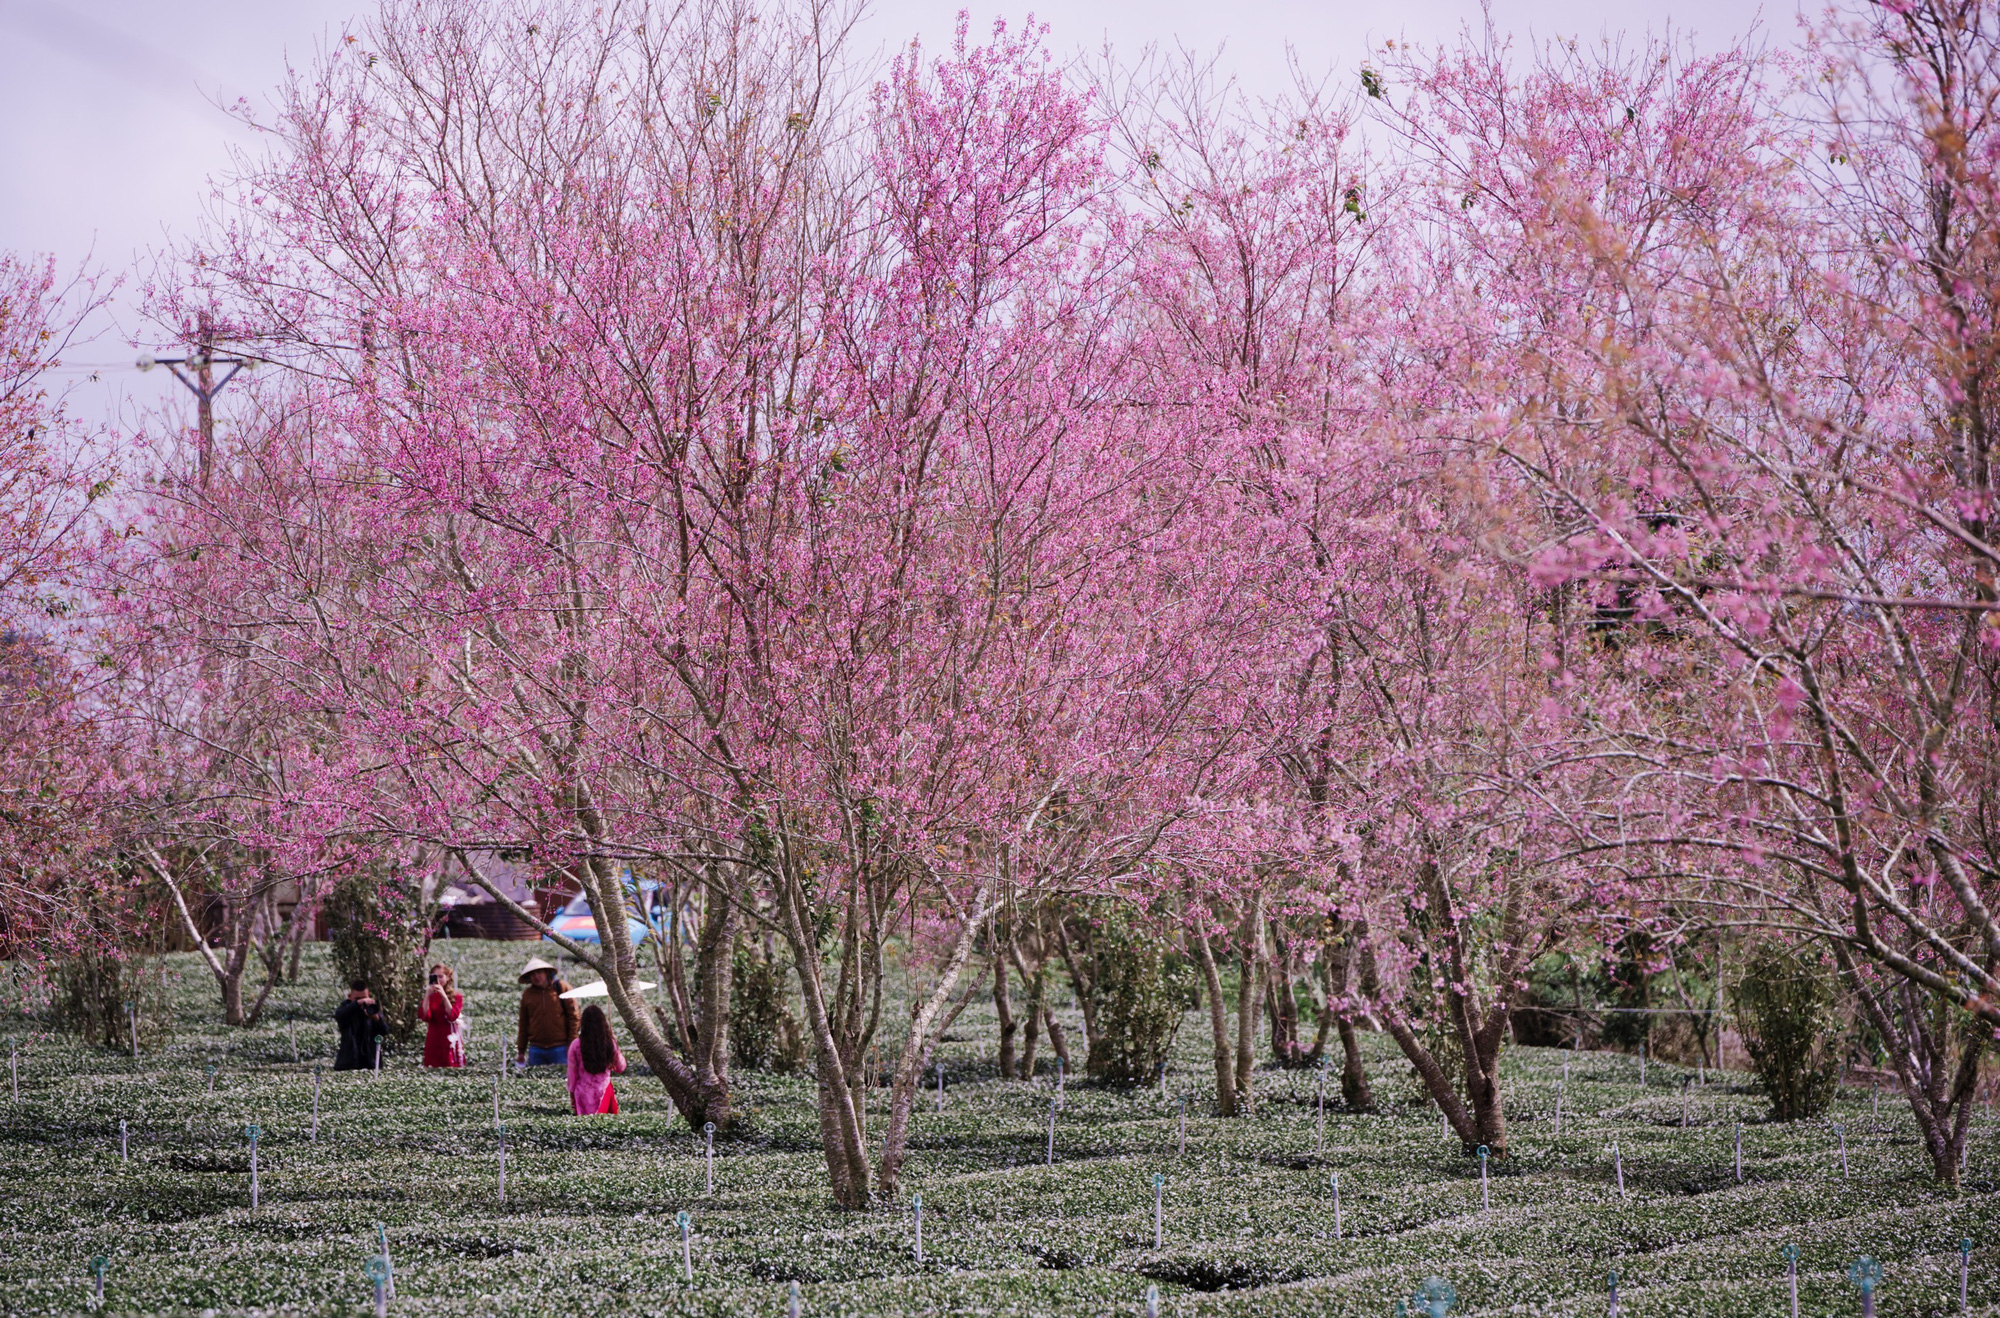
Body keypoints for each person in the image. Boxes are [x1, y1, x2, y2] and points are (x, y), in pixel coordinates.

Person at [515, 956, 579, 1068]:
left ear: (546, 973)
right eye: (532, 974)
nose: (536, 976)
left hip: (560, 1047)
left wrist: (571, 1043)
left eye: (539, 972)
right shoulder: (528, 994)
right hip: (536, 1048)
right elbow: (523, 1023)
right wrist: (521, 1050)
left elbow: (574, 1017)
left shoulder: (562, 987)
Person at [566, 1004, 626, 1115]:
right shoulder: (609, 1043)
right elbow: (620, 1067)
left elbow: (572, 1073)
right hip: (604, 1091)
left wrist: (571, 1093)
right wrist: (616, 1048)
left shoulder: (576, 1045)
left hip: (583, 1093)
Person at [333, 979, 387, 1071]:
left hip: (371, 1062)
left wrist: (376, 1019)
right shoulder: (346, 1009)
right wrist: (357, 1004)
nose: (362, 1003)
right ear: (350, 997)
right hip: (348, 1063)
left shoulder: (372, 1009)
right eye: (358, 999)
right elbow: (340, 1016)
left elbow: (385, 1031)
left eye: (364, 998)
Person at [418, 963, 464, 1068]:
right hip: (433, 1035)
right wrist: (427, 996)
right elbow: (425, 1016)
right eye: (435, 977)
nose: (438, 980)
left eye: (441, 976)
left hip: (449, 1036)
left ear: (447, 977)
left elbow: (453, 1016)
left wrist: (444, 995)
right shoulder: (430, 996)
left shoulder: (457, 996)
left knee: (449, 1064)